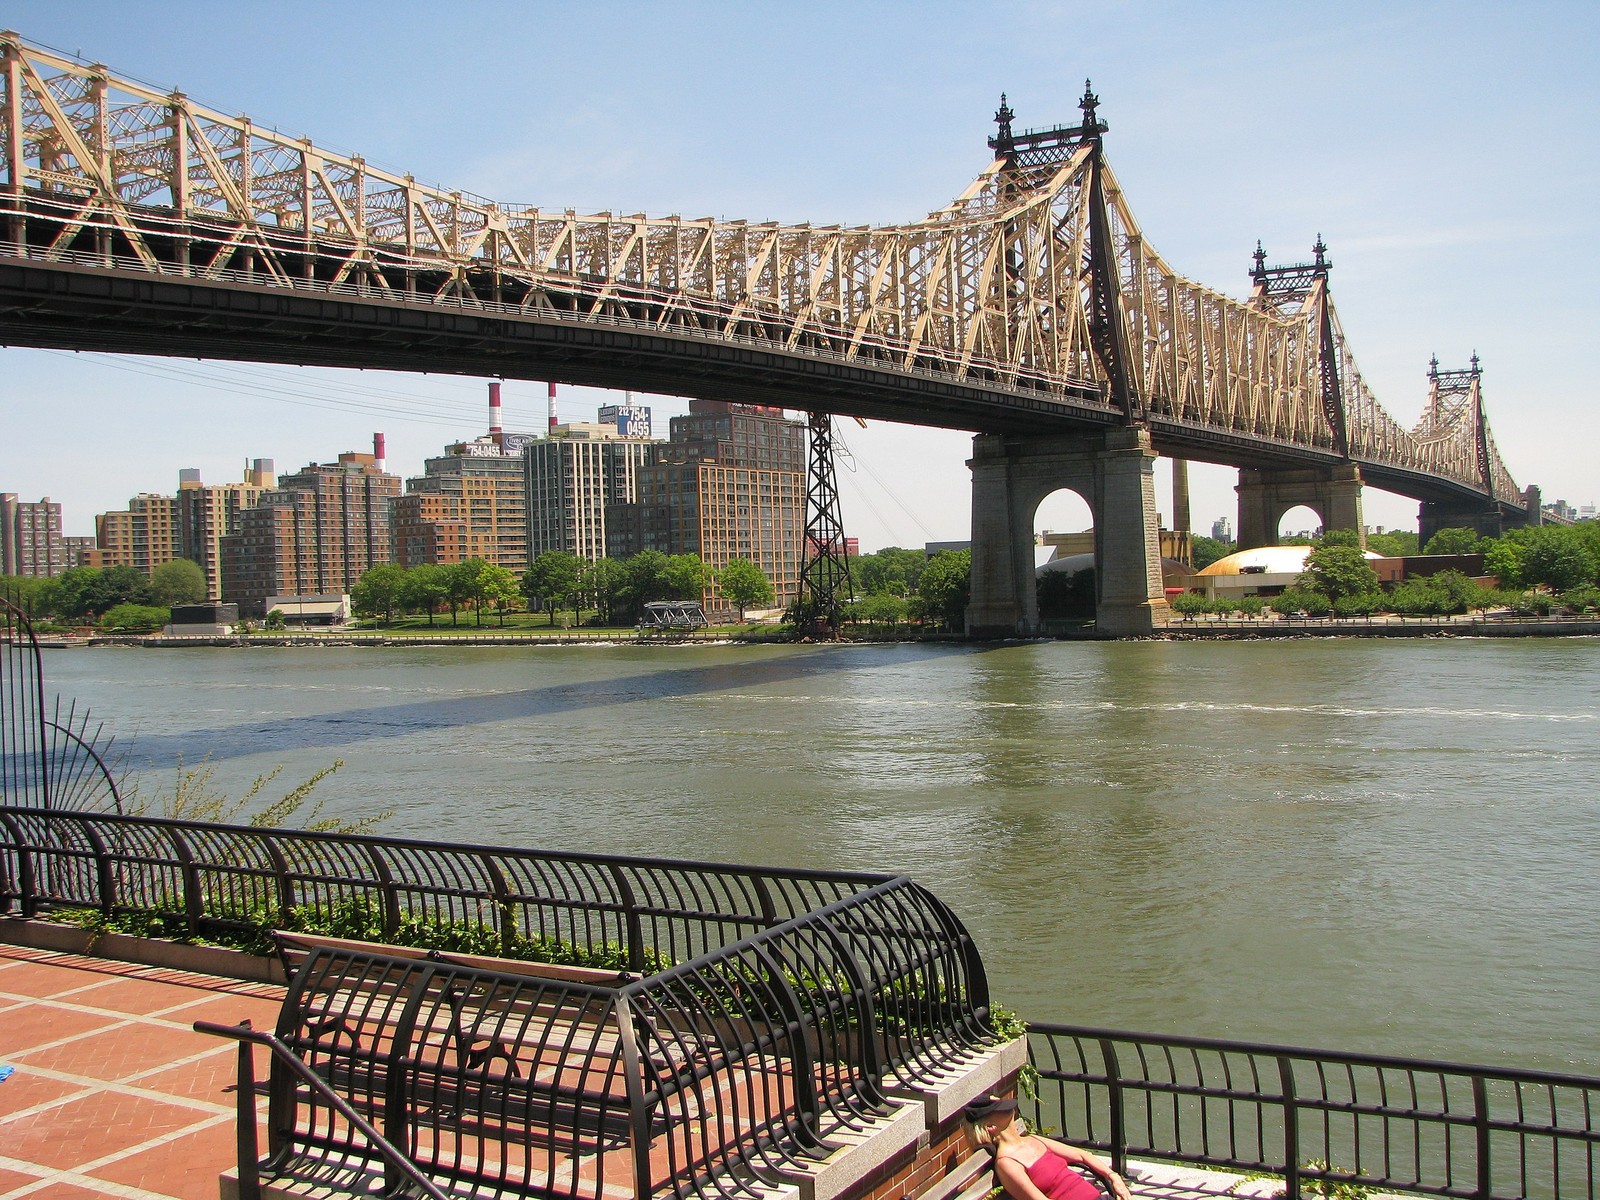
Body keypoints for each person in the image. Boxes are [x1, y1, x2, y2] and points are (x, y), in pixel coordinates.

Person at [963, 1095, 1132, 1200]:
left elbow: (1082, 1155)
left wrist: (1113, 1176)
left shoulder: (1033, 1139)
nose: (1006, 1107)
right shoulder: (1007, 1163)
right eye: (998, 1109)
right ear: (991, 1126)